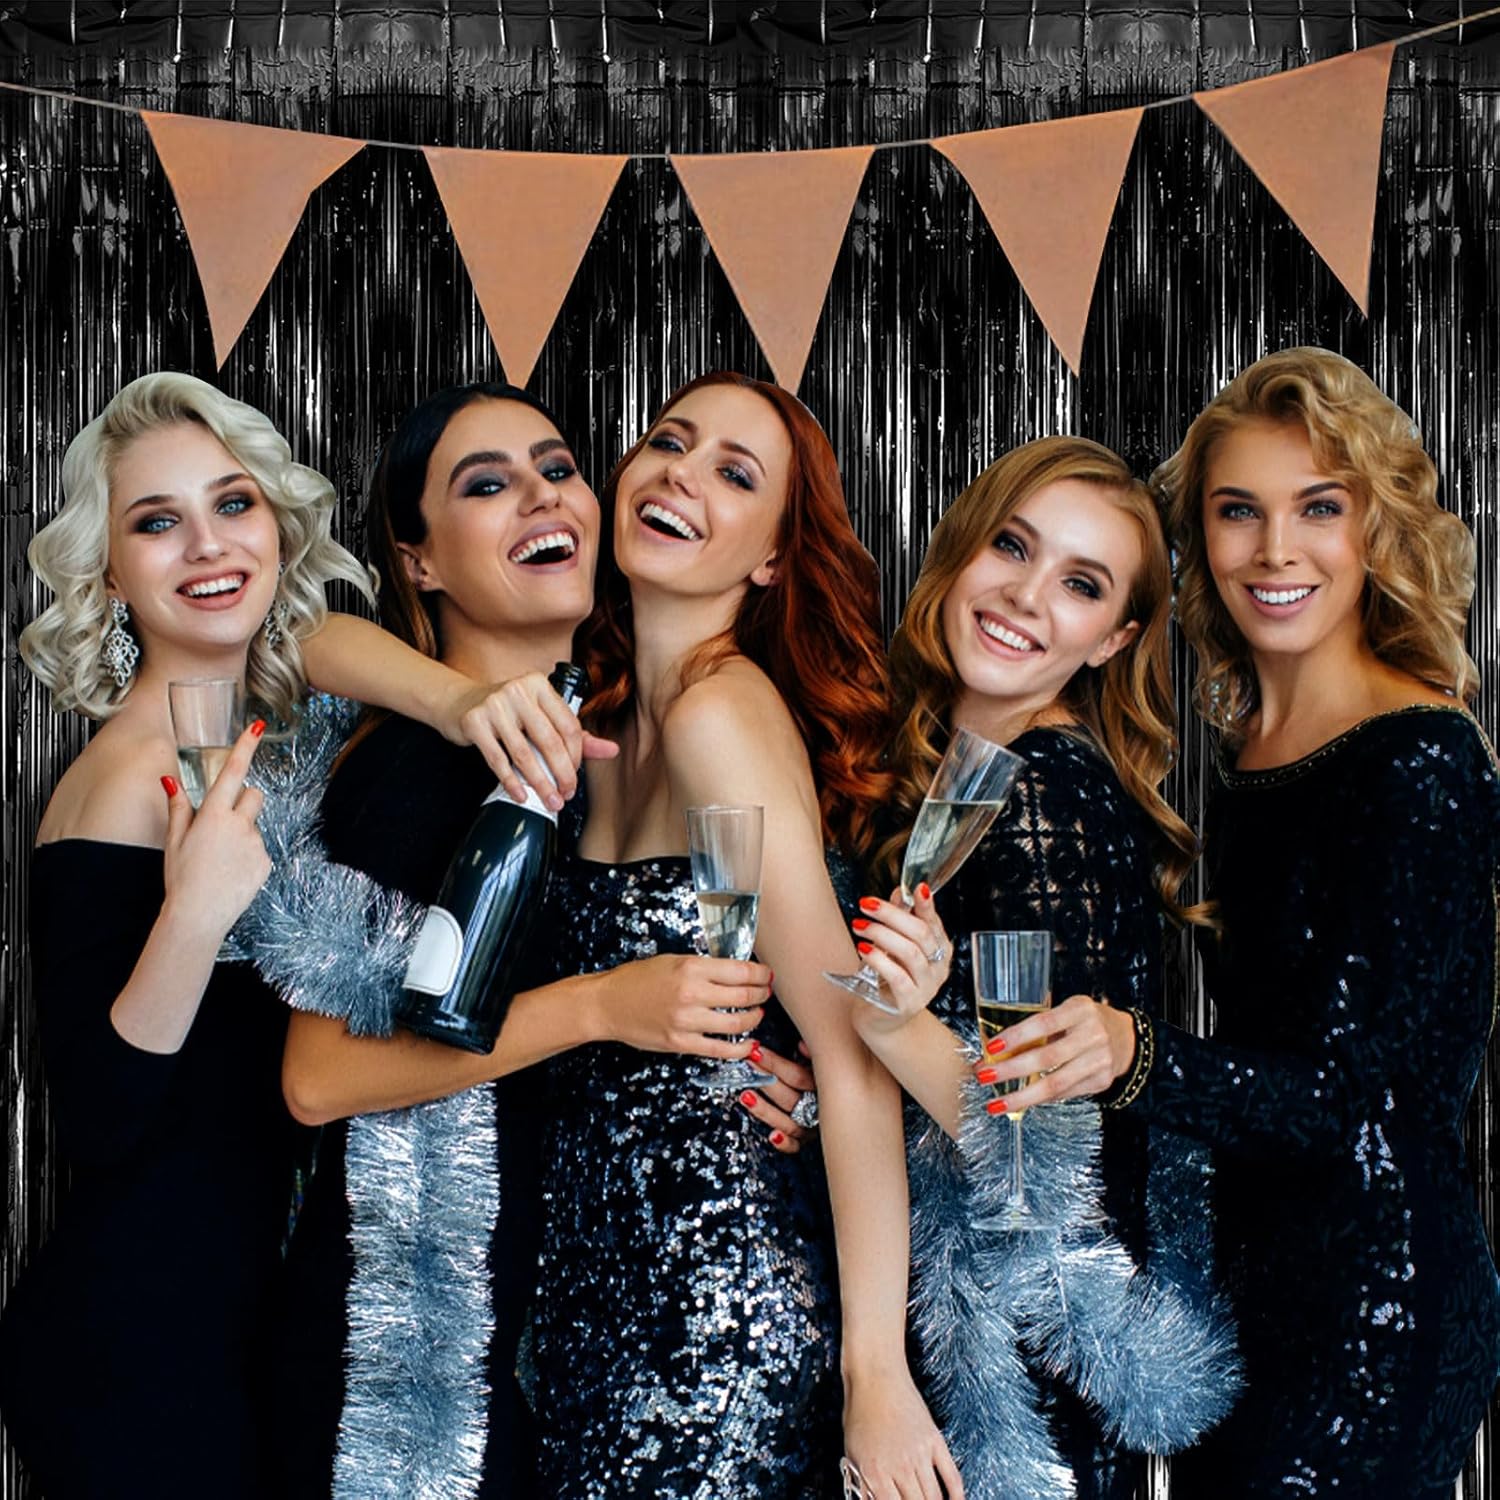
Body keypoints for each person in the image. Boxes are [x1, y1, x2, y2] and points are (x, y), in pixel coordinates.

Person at [259, 381, 818, 1497]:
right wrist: (605, 1006)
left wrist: (778, 1080)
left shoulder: (591, 736)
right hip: (394, 1382)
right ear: (418, 562)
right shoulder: (423, 766)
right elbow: (316, 1079)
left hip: (539, 1346)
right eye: (487, 485)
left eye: (557, 469)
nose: (540, 495)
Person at [981, 348, 1500, 1497]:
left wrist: (1134, 1053)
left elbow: (1355, 1098)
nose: (1274, 550)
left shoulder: (1420, 759)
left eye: (1318, 508)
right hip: (1249, 1293)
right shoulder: (1248, 743)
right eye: (1237, 511)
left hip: (1375, 1304)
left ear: (1378, 525)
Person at [520, 371, 959, 1497]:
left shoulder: (720, 710)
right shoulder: (596, 719)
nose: (681, 476)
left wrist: (874, 1373)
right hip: (588, 1309)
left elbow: (853, 1049)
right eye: (670, 442)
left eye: (734, 473)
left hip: (717, 1315)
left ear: (770, 556)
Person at [0, 371, 373, 1498]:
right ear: (110, 573)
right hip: (135, 1353)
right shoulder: (127, 773)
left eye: (234, 503)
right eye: (158, 523)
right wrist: (195, 914)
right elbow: (103, 1117)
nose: (209, 545)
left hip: (234, 1326)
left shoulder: (268, 737)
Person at [846, 437, 1235, 1498]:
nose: (1025, 595)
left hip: (1012, 1367)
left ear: (1114, 639)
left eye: (1080, 584)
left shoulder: (1043, 801)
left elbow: (1039, 1152)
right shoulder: (958, 771)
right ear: (963, 548)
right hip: (957, 1319)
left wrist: (889, 1026)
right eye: (1013, 547)